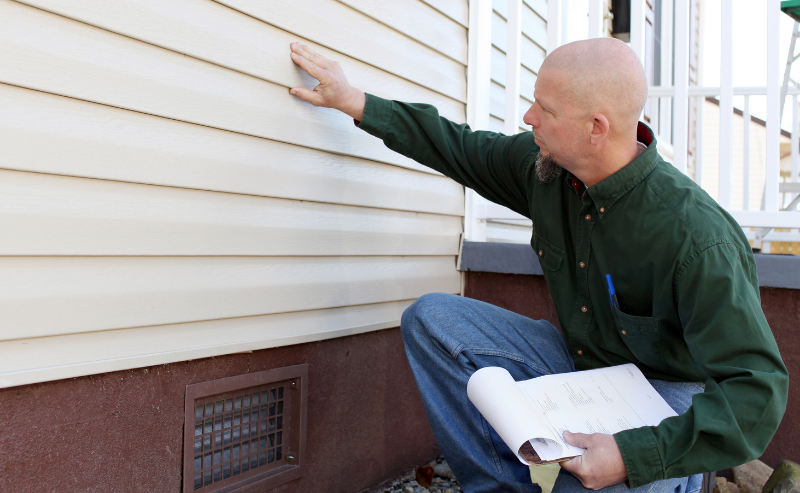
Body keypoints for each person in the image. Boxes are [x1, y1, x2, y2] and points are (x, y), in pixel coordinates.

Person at [288, 38, 788, 493]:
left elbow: (756, 394)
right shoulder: (546, 171)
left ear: (596, 128)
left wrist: (632, 455)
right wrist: (353, 101)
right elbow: (458, 146)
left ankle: (680, 481)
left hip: (662, 396)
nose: (528, 117)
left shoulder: (697, 237)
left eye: (545, 109)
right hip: (580, 363)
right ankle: (501, 487)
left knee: (597, 484)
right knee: (433, 320)